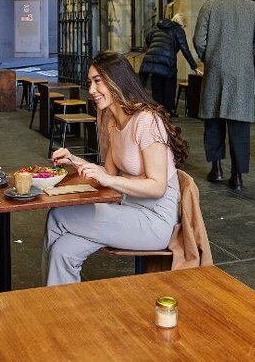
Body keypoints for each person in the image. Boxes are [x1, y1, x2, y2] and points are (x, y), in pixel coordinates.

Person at [44, 51, 187, 286]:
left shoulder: (147, 121)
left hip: (154, 221)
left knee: (58, 214)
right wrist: (74, 160)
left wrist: (110, 181)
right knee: (63, 250)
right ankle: (62, 313)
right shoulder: (112, 120)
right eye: (90, 82)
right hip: (127, 209)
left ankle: (41, 302)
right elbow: (107, 174)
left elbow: (158, 187)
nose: (91, 89)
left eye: (97, 81)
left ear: (117, 80)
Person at [193, 0, 255, 190]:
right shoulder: (253, 9)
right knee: (240, 125)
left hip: (215, 71)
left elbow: (198, 41)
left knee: (213, 122)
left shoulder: (209, 6)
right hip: (243, 74)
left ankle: (216, 169)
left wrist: (210, 58)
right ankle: (237, 176)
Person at [139, 12, 202, 115]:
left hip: (152, 61)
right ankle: (168, 112)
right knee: (169, 86)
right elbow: (185, 49)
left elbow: (148, 39)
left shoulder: (157, 27)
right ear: (182, 24)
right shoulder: (178, 30)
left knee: (157, 85)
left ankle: (158, 111)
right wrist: (194, 67)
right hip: (168, 62)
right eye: (184, 26)